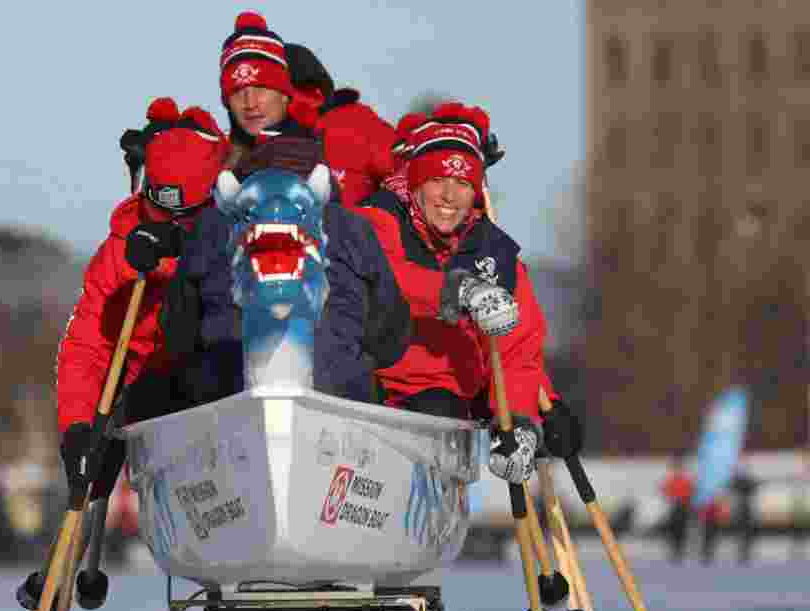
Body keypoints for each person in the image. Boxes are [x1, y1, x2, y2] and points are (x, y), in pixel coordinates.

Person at [357, 102, 556, 484]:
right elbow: (389, 276)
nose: (449, 196)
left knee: (441, 405)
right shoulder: (377, 220)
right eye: (437, 181)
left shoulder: (495, 253)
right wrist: (456, 290)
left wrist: (515, 424)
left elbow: (517, 350)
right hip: (374, 395)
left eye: (463, 184)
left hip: (443, 410)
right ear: (415, 183)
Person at [55, 96, 230, 498]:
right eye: (159, 213)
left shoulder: (236, 233)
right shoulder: (119, 253)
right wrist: (77, 427)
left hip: (219, 388)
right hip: (147, 397)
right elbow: (86, 345)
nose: (170, 226)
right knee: (113, 426)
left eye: (183, 218)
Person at [160, 131, 412, 406]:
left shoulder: (211, 225)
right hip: (343, 396)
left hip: (222, 396)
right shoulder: (354, 227)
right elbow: (391, 338)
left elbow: (177, 334)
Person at [219, 12, 394, 206]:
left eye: (263, 89)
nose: (251, 102)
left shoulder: (353, 126)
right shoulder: (233, 150)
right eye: (239, 91)